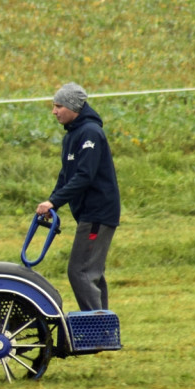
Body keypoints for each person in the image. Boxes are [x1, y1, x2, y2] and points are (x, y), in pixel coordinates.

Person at [35, 83, 120, 311]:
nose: (54, 111)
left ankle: (96, 327)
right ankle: (102, 324)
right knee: (92, 271)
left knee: (80, 271)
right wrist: (52, 204)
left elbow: (85, 176)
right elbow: (66, 176)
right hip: (89, 214)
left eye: (58, 105)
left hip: (98, 214)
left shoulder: (90, 133)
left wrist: (54, 201)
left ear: (74, 107)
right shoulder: (72, 135)